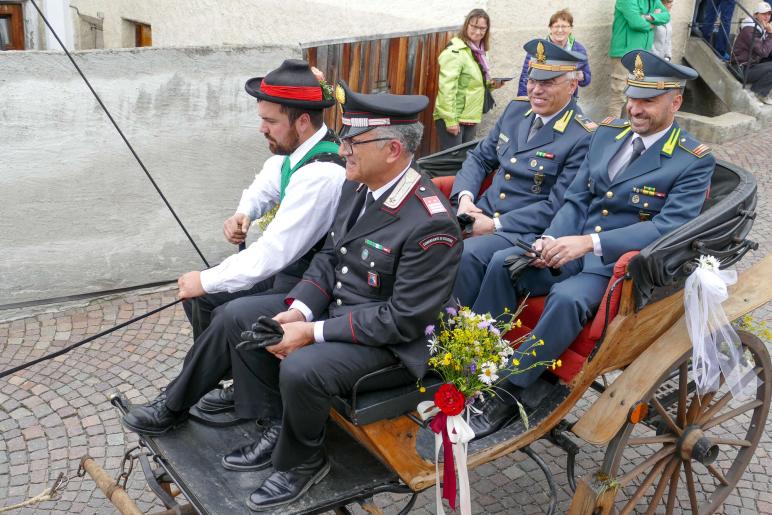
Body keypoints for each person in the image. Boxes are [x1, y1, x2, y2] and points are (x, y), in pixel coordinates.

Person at [123, 81, 462, 511]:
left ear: (392, 150)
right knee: (237, 317)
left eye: (352, 142)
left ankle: (304, 462)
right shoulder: (357, 186)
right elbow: (327, 259)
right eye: (344, 141)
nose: (343, 151)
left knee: (304, 366)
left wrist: (311, 331)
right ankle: (258, 421)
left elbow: (403, 320)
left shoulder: (431, 222)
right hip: (343, 316)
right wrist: (298, 309)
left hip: (393, 346)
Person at [468, 50, 715, 439]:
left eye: (648, 101)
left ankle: (510, 388)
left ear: (676, 102)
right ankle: (471, 359)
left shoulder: (692, 160)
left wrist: (588, 244)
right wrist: (552, 239)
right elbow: (577, 198)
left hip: (613, 264)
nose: (635, 108)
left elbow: (668, 227)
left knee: (568, 298)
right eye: (632, 97)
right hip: (568, 242)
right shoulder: (606, 134)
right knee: (504, 261)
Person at [121, 59, 346, 423]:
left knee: (226, 312)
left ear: (302, 122)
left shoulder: (323, 174)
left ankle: (174, 405)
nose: (261, 128)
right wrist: (245, 212)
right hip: (292, 274)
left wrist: (204, 279)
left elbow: (273, 252)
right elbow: (268, 182)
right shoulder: (298, 154)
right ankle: (234, 382)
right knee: (205, 299)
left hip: (316, 288)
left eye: (270, 121)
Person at [451, 39, 594, 309]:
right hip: (479, 213)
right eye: (532, 80)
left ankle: (457, 336)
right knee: (423, 236)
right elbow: (480, 158)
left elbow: (558, 205)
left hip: (524, 231)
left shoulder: (583, 135)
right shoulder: (517, 110)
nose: (536, 90)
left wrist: (493, 225)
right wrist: (466, 199)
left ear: (572, 85)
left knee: (468, 254)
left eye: (548, 83)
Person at [433, 8, 504, 150]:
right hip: (455, 117)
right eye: (474, 26)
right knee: (453, 164)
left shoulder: (478, 52)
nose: (478, 32)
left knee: (465, 162)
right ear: (466, 25)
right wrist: (450, 120)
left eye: (482, 28)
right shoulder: (456, 51)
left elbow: (471, 83)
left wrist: (491, 85)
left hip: (470, 116)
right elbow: (446, 89)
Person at [609, 0, 671, 117]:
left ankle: (629, 130)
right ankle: (612, 130)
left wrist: (648, 17)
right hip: (624, 54)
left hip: (642, 55)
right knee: (619, 95)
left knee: (635, 95)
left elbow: (666, 16)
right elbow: (636, 23)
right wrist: (653, 23)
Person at [517, 9, 592, 99]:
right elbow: (525, 77)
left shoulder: (579, 49)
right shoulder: (539, 48)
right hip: (542, 97)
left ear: (571, 28)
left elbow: (586, 80)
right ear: (550, 28)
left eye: (564, 26)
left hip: (567, 99)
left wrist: (578, 75)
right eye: (556, 26)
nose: (560, 30)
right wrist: (523, 101)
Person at [731, 1, 772, 104]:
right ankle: (759, 93)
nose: (767, 17)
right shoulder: (750, 29)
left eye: (769, 14)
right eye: (763, 13)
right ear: (755, 15)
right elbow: (763, 52)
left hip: (751, 65)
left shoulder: (759, 28)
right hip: (742, 68)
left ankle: (760, 91)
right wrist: (770, 34)